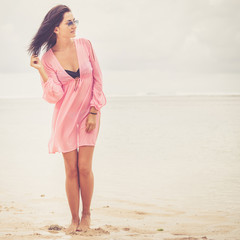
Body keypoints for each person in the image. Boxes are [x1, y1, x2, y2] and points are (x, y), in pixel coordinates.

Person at [27, 4, 107, 234]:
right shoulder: (48, 59)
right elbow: (55, 96)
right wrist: (41, 70)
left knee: (84, 168)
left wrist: (94, 111)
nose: (74, 26)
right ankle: (73, 218)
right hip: (65, 119)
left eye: (75, 21)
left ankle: (86, 215)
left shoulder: (85, 45)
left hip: (89, 115)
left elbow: (99, 79)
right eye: (69, 23)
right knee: (71, 170)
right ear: (56, 29)